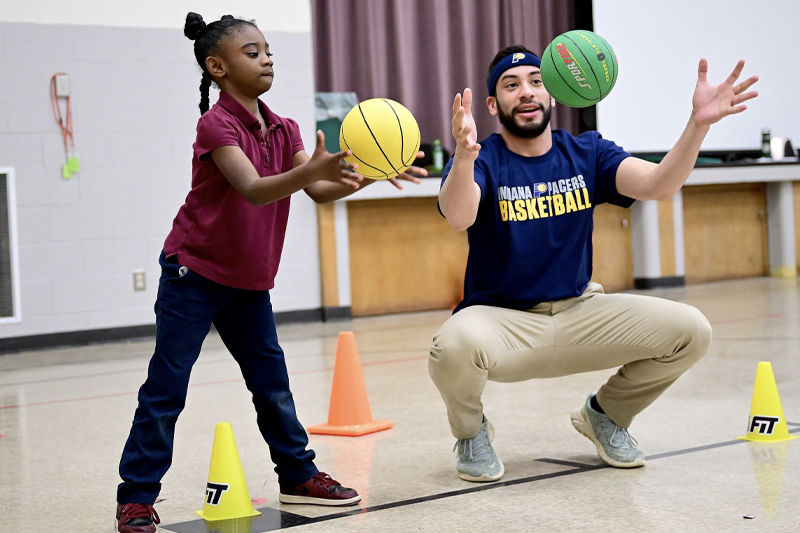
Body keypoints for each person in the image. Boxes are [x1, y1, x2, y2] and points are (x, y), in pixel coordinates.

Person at [114, 13, 424, 533]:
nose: (266, 59)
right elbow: (255, 188)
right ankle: (137, 497)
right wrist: (311, 170)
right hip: (194, 272)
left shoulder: (285, 127)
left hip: (248, 281)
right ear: (217, 67)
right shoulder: (216, 125)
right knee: (167, 387)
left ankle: (298, 474)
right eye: (252, 52)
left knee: (272, 384)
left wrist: (372, 173)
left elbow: (320, 192)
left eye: (268, 51)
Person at [430, 45, 758, 482]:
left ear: (554, 94)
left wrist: (697, 125)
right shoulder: (482, 158)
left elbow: (659, 185)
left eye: (536, 81)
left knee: (692, 330)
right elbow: (459, 216)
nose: (526, 92)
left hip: (580, 313)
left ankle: (606, 414)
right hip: (505, 325)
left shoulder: (586, 152)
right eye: (511, 85)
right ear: (492, 104)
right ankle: (471, 434)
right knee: (452, 346)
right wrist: (465, 155)